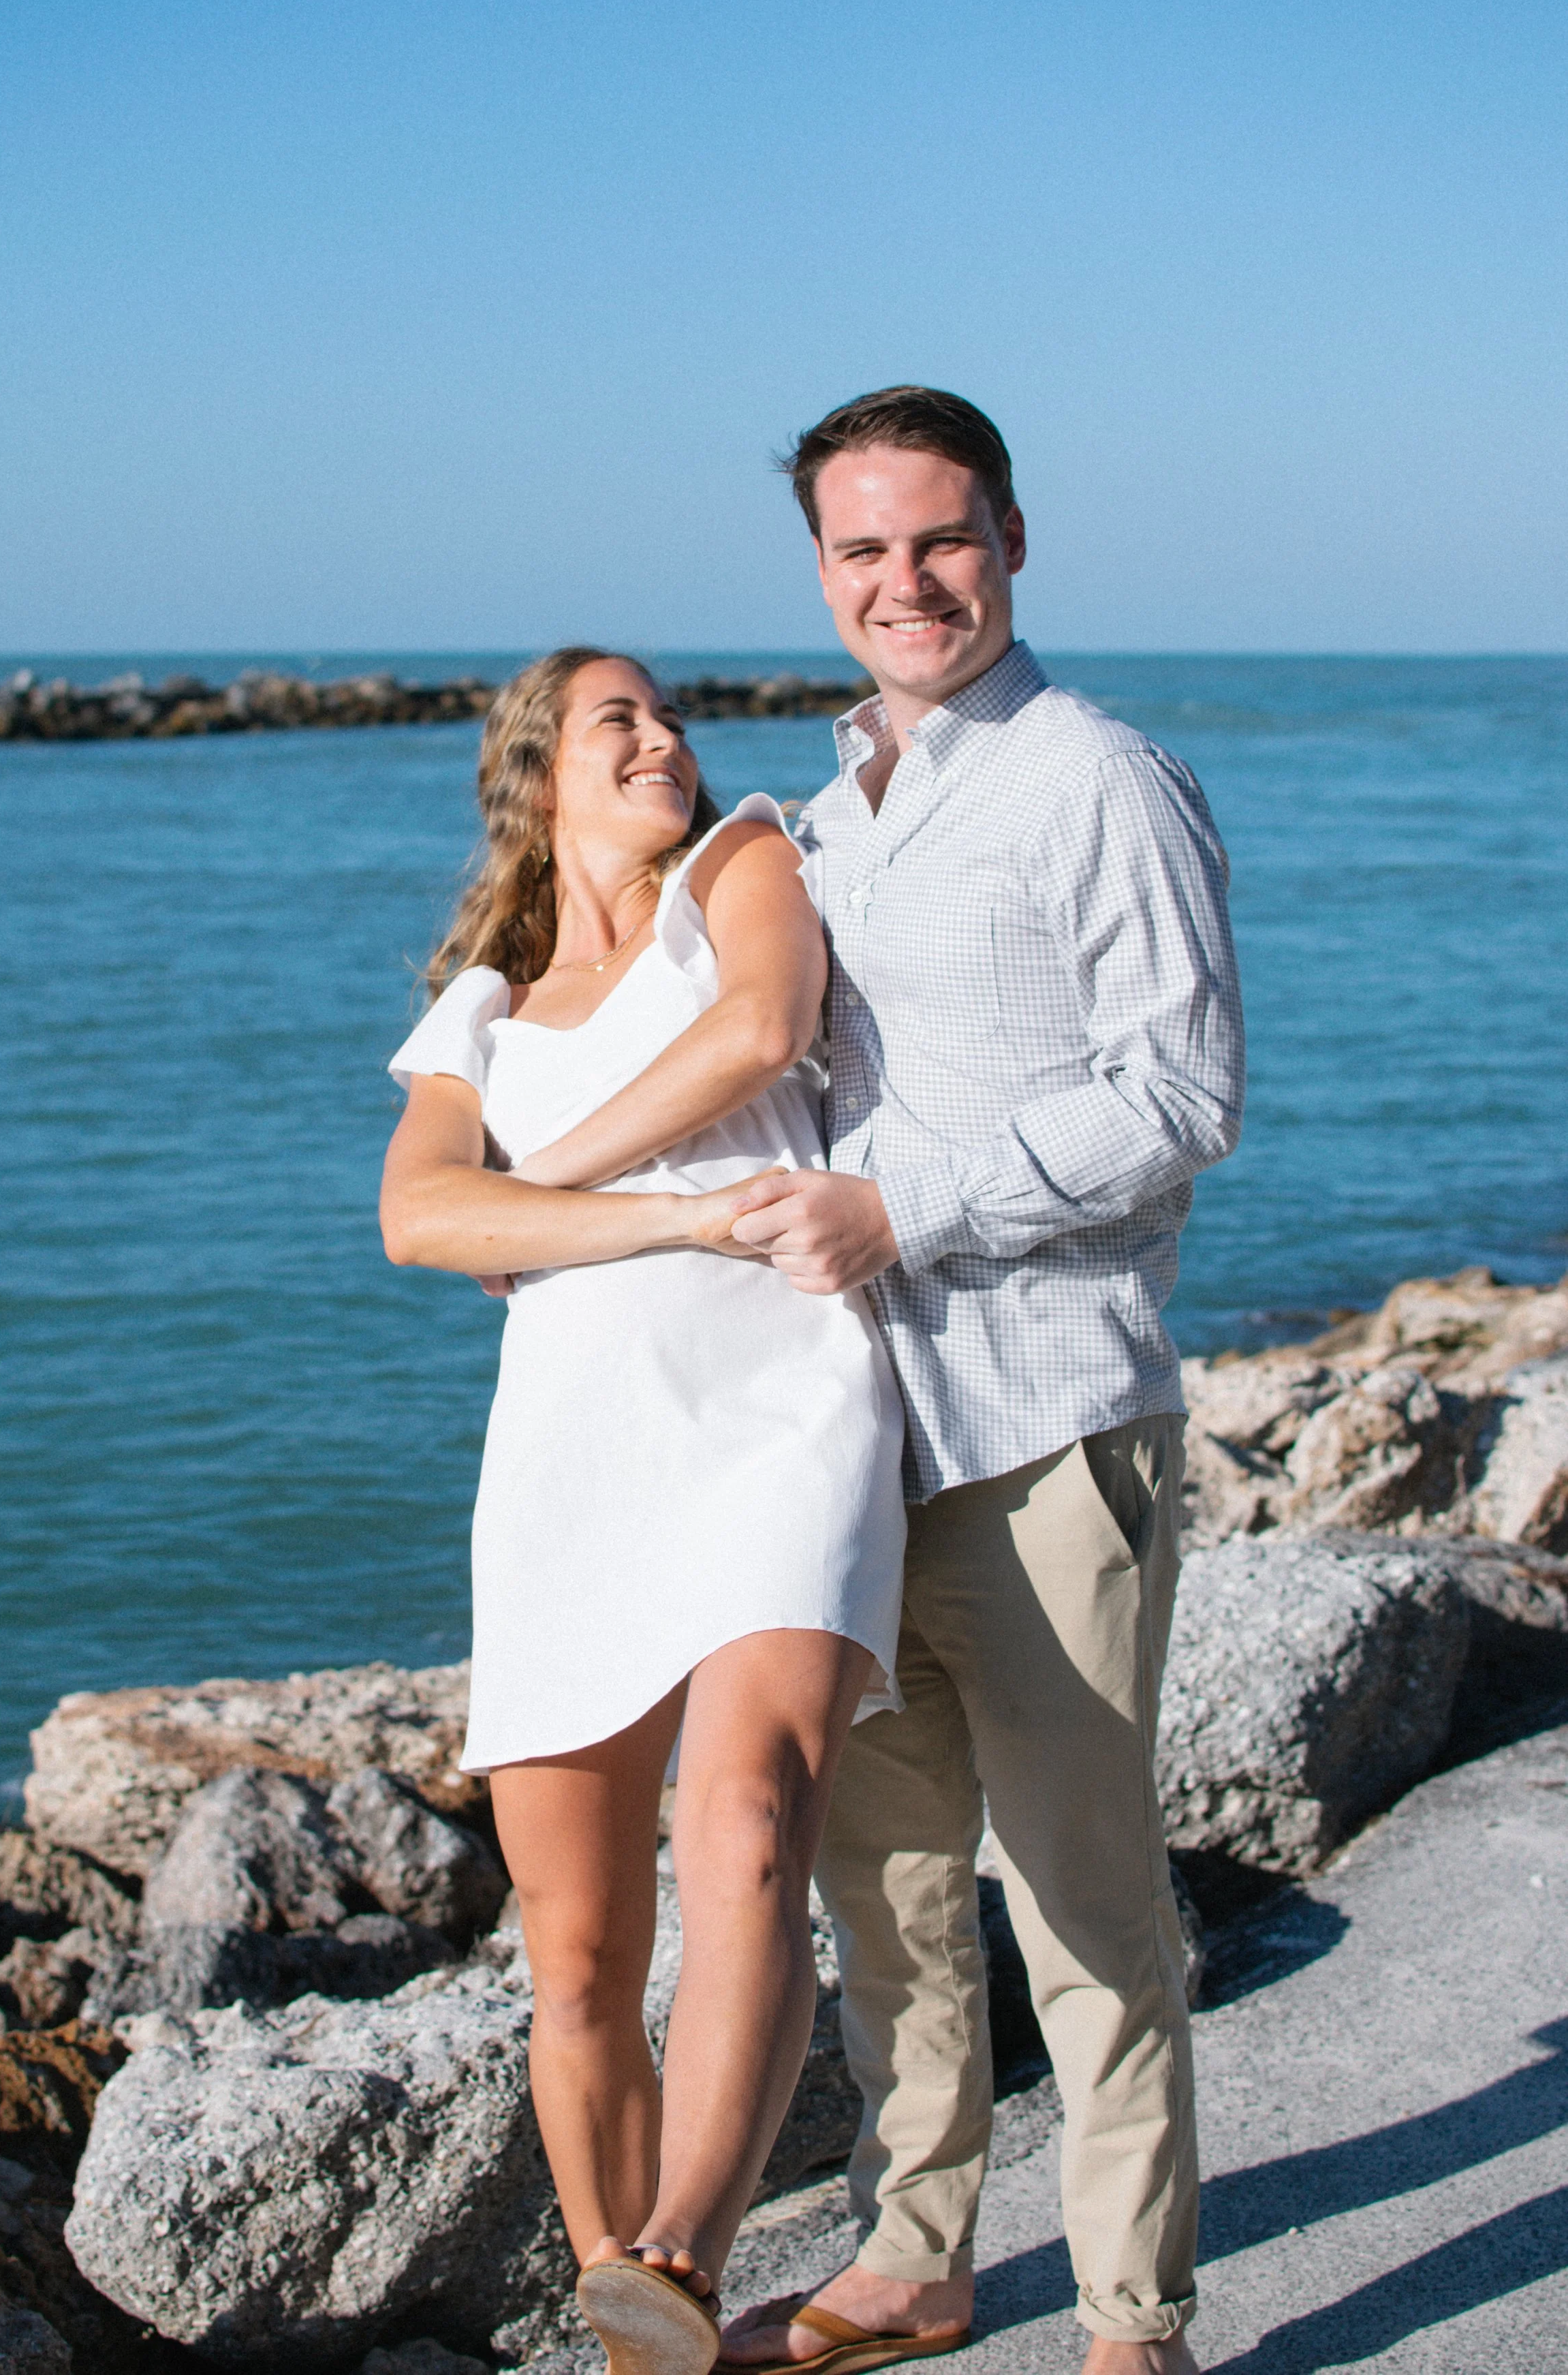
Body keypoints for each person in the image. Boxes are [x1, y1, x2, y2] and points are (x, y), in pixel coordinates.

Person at [717, 388, 1244, 2375]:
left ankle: (1131, 2317)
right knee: (889, 1886)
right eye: (860, 550)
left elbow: (1181, 1092)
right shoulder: (828, 816)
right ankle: (912, 2254)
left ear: (1010, 535)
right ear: (823, 572)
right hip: (852, 1440)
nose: (902, 580)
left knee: (1091, 1904)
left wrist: (896, 1207)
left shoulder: (1097, 777)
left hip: (1045, 1419)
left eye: (936, 538)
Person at [378, 646, 909, 2375]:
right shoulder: (479, 1002)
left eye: (667, 714)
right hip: (567, 1462)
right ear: (536, 777)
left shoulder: (735, 866)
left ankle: (682, 2246)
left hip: (783, 1406)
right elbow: (418, 1226)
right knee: (579, 1946)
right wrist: (670, 1217)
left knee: (750, 1816)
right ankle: (628, 2317)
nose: (664, 739)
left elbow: (759, 1029)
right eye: (619, 722)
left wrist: (536, 1192)